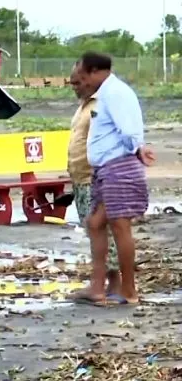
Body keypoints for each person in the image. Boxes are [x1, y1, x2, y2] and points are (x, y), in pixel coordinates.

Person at [72, 52, 154, 306]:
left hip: (119, 167)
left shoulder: (116, 93)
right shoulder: (105, 94)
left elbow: (128, 131)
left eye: (83, 77)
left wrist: (137, 148)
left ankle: (128, 290)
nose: (83, 83)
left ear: (96, 72)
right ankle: (97, 287)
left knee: (120, 227)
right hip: (106, 169)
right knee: (95, 223)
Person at [67, 65, 120, 299]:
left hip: (95, 179)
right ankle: (105, 284)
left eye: (78, 83)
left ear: (90, 79)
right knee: (93, 231)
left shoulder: (102, 105)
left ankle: (112, 284)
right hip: (80, 178)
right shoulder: (84, 106)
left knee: (101, 232)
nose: (74, 88)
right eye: (72, 84)